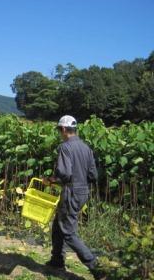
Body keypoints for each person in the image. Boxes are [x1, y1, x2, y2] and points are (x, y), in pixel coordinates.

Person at [43, 115, 104, 280]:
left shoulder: (65, 147)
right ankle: (57, 260)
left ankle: (98, 269)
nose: (59, 133)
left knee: (68, 232)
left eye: (59, 130)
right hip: (83, 191)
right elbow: (93, 175)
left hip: (71, 192)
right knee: (58, 225)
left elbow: (64, 173)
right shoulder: (86, 148)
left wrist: (50, 180)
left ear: (63, 129)